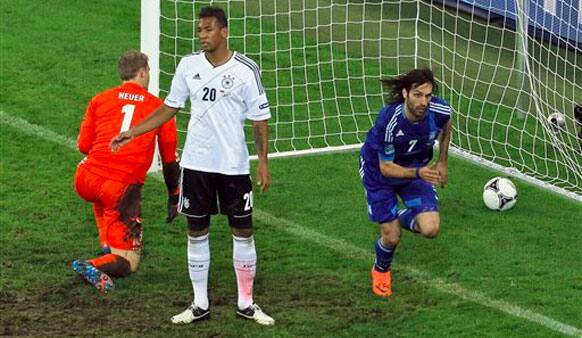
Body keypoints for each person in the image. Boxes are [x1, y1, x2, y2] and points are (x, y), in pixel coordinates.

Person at [110, 7, 274, 326]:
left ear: (224, 32)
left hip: (234, 166)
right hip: (196, 164)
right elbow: (170, 107)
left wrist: (263, 160)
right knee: (196, 231)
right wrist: (133, 130)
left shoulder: (246, 70)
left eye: (208, 29)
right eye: (199, 30)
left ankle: (246, 303)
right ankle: (199, 304)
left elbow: (259, 117)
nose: (202, 35)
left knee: (243, 231)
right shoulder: (188, 65)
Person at [73, 50, 180, 292]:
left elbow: (83, 146)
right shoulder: (159, 109)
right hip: (119, 189)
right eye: (149, 71)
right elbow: (170, 161)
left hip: (85, 178)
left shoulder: (99, 99)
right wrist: (175, 194)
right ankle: (93, 264)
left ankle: (106, 242)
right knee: (129, 263)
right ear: (142, 72)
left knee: (101, 190)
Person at [359, 68, 452, 297]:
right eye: (418, 95)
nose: (423, 101)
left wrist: (442, 161)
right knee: (391, 237)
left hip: (416, 168)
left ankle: (396, 217)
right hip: (378, 174)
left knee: (431, 229)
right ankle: (381, 270)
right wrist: (419, 173)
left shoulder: (439, 110)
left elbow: (446, 126)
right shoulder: (389, 121)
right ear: (405, 94)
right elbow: (386, 167)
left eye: (428, 96)